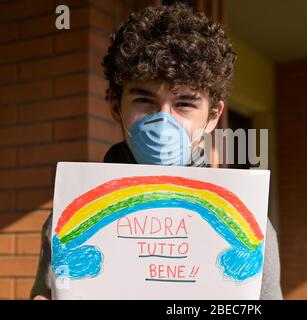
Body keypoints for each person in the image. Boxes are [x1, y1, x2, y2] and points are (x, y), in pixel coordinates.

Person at [31, 3, 283, 300]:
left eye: (185, 103)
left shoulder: (249, 227)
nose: (164, 123)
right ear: (115, 105)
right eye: (144, 100)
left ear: (213, 116)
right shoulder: (67, 220)